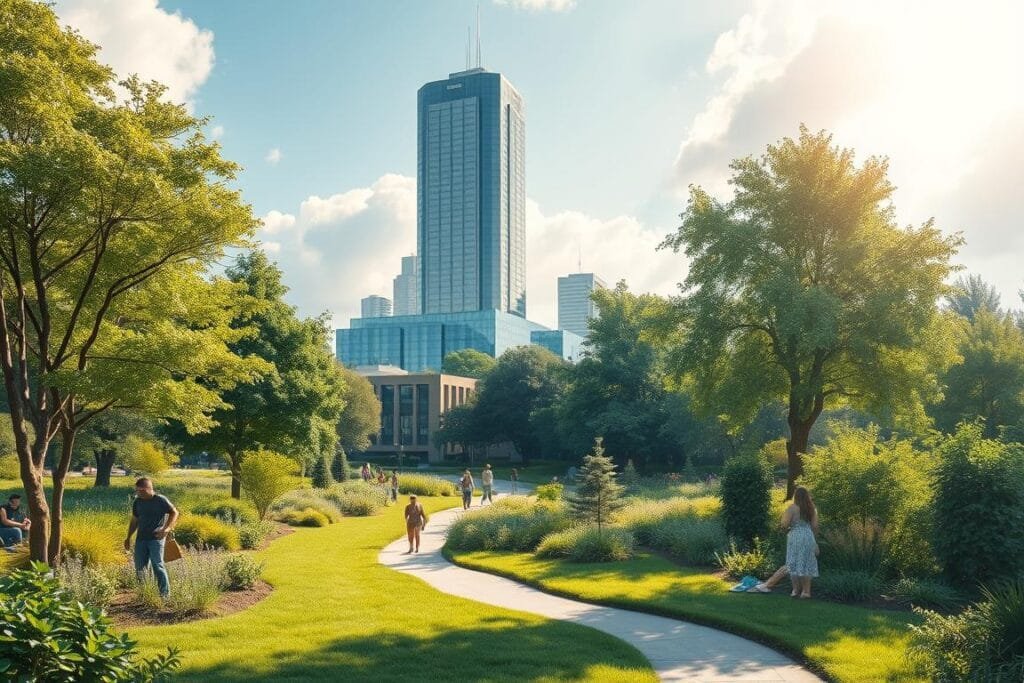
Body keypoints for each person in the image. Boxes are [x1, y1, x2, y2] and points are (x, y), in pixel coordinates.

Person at [753, 486, 819, 598]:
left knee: (790, 563)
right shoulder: (812, 509)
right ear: (807, 496)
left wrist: (786, 529)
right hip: (809, 537)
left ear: (796, 496)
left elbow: (784, 524)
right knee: (806, 563)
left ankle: (769, 585)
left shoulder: (792, 508)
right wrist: (815, 542)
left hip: (796, 537)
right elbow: (815, 526)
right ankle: (805, 592)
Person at [124, 477, 178, 599]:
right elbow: (135, 520)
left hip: (156, 538)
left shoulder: (160, 500)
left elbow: (174, 512)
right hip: (141, 539)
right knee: (140, 568)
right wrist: (128, 537)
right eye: (137, 490)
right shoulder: (137, 502)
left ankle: (165, 596)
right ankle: (145, 595)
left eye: (141, 490)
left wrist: (166, 529)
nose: (138, 493)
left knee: (157, 565)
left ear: (149, 489)